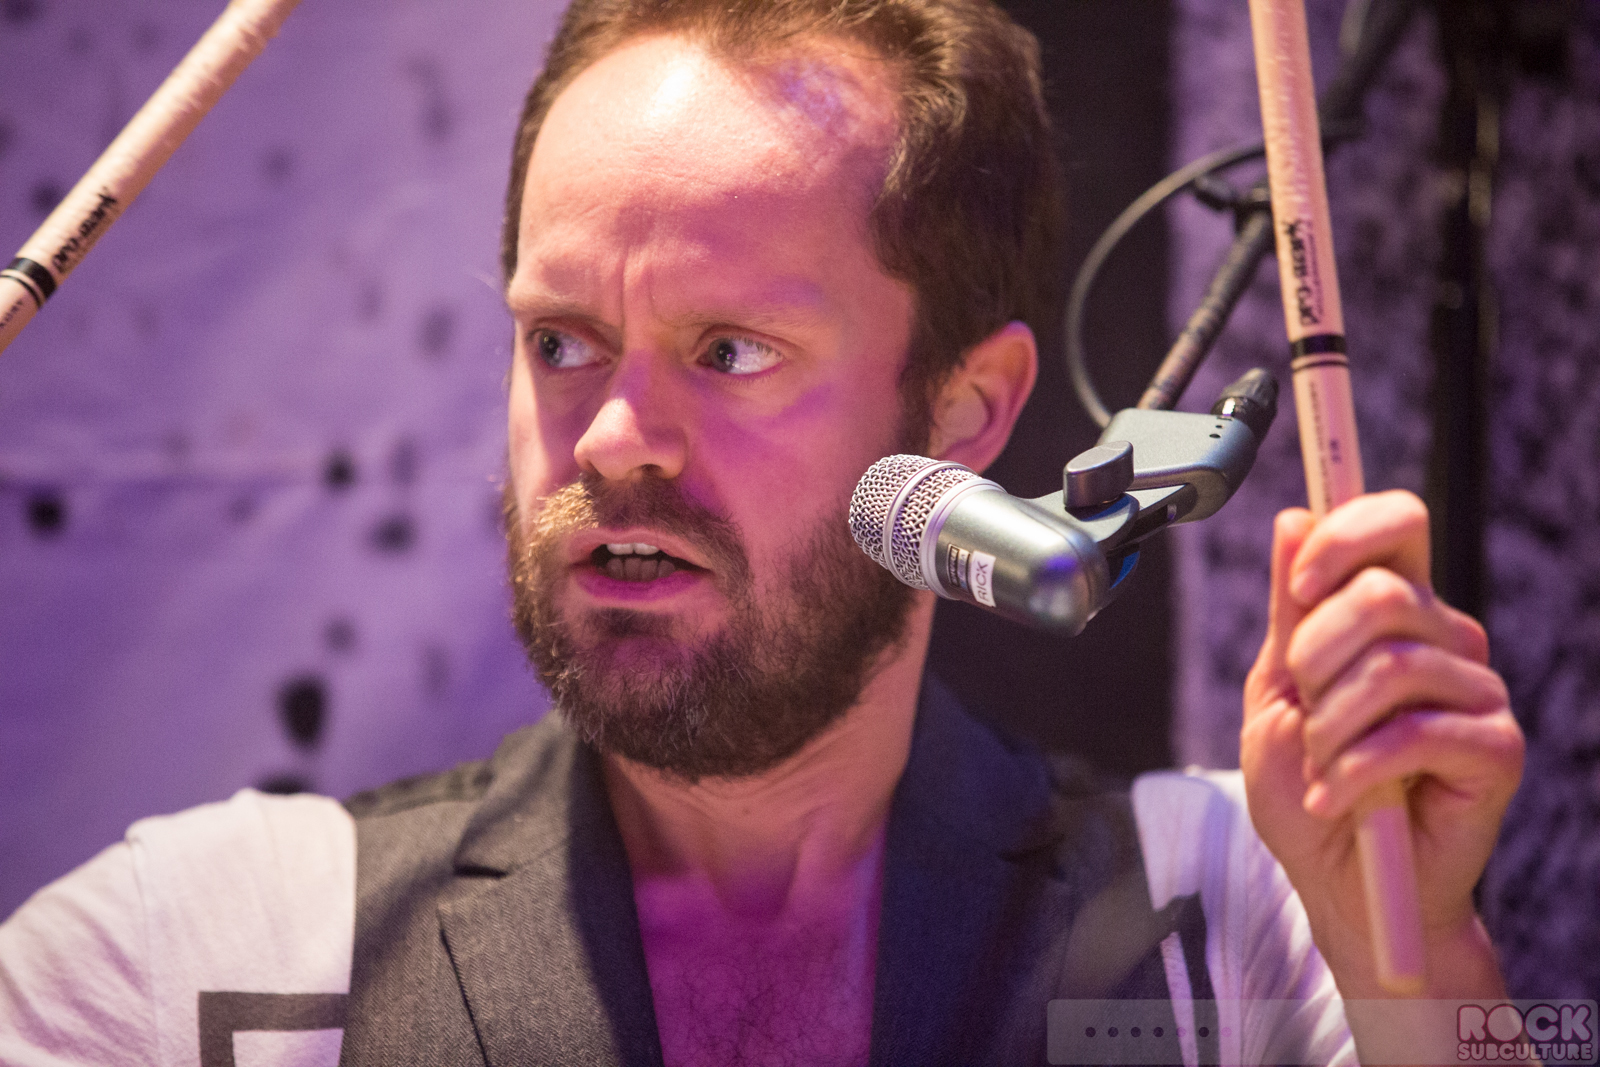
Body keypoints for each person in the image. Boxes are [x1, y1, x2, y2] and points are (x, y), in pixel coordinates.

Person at [0, 1, 1525, 1065]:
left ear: (964, 414)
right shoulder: (206, 954)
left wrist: (1421, 980)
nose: (613, 438)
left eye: (731, 352)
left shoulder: (1251, 919)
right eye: (560, 341)